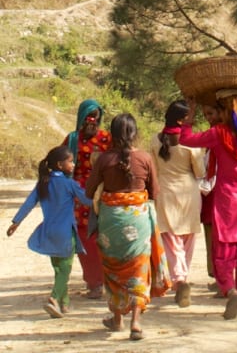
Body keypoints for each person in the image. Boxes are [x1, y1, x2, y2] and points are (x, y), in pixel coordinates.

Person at [180, 90, 237, 319]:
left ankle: (230, 290)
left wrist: (190, 113)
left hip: (226, 201)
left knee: (222, 252)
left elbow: (185, 139)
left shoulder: (218, 134)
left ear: (225, 113)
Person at [85, 113, 170, 342]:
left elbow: (88, 190)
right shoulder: (145, 158)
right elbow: (155, 192)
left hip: (111, 221)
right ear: (135, 134)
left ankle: (117, 319)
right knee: (138, 269)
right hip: (138, 220)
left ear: (111, 134)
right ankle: (135, 322)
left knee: (113, 270)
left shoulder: (103, 159)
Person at [7, 145, 93, 318]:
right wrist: (101, 194)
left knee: (59, 268)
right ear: (60, 165)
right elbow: (87, 201)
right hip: (65, 234)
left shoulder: (43, 183)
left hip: (48, 232)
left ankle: (65, 302)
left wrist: (16, 222)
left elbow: (28, 204)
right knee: (66, 268)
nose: (74, 164)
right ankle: (54, 298)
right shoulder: (69, 184)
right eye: (70, 162)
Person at [150, 99, 205, 308]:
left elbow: (153, 170)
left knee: (171, 241)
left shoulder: (156, 140)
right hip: (188, 193)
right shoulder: (191, 143)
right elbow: (200, 172)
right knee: (188, 238)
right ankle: (182, 279)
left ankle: (179, 279)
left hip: (165, 192)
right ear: (183, 119)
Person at [63, 98, 110, 298]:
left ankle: (108, 280)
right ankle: (94, 282)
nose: (91, 122)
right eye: (88, 118)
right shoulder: (72, 139)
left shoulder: (108, 139)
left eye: (95, 118)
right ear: (81, 119)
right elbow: (61, 161)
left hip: (104, 192)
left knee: (104, 237)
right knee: (85, 238)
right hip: (80, 196)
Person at [199, 103, 222, 292]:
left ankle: (220, 275)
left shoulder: (220, 134)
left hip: (218, 189)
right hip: (210, 190)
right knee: (211, 232)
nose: (208, 117)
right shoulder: (211, 133)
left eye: (211, 112)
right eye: (206, 114)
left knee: (216, 233)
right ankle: (217, 274)